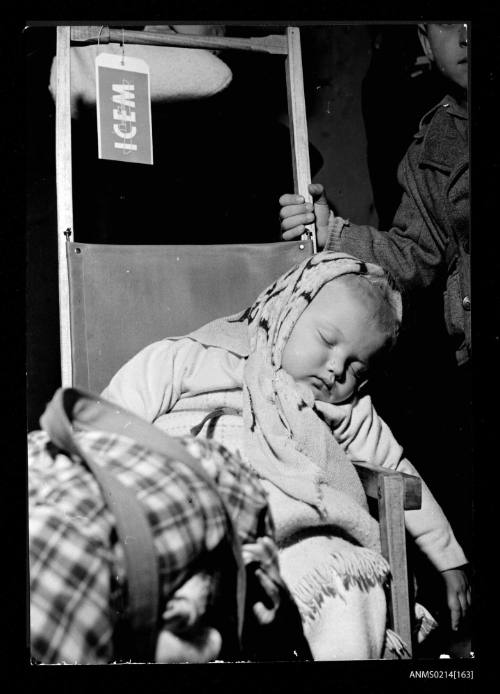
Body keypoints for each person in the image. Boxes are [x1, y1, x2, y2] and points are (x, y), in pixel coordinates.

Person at [102, 251, 470, 660]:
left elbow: (394, 467)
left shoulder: (344, 411)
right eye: (328, 341)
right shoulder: (200, 356)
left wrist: (449, 560)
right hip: (193, 499)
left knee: (346, 586)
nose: (335, 370)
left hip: (294, 525)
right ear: (289, 307)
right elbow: (112, 416)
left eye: (356, 369)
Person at [279, 23, 470, 366]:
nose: (465, 34)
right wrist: (331, 233)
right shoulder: (434, 145)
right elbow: (412, 256)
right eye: (446, 21)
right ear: (426, 42)